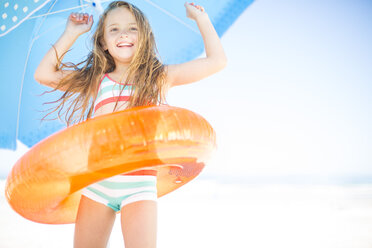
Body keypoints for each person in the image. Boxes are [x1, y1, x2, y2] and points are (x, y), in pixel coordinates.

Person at [34, 1, 226, 248]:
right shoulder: (97, 81)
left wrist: (201, 19)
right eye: (113, 29)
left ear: (144, 36)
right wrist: (71, 33)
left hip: (139, 185)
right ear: (103, 42)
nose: (123, 33)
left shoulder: (158, 78)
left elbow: (217, 61)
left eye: (131, 28)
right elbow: (44, 74)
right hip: (98, 184)